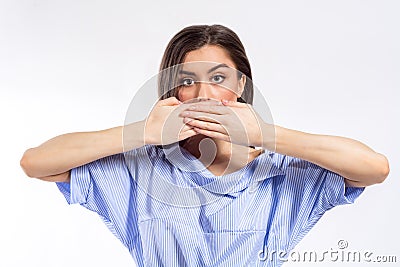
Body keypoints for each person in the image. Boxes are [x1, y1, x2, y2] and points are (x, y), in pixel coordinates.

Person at [20, 24, 389, 267]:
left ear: (241, 85)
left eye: (218, 78)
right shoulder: (141, 172)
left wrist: (267, 134)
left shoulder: (281, 174)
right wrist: (140, 132)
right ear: (173, 89)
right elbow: (36, 163)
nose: (203, 95)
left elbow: (374, 168)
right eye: (187, 80)